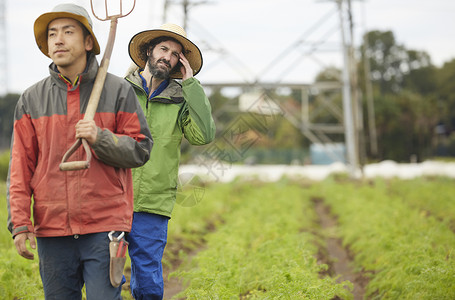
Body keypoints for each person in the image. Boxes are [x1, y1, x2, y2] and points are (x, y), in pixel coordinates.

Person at [6, 3, 153, 299]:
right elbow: (20, 167)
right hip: (52, 228)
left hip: (105, 227)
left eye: (68, 32)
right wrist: (20, 223)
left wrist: (100, 138)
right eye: (52, 34)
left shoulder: (118, 91)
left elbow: (140, 149)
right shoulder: (31, 100)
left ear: (88, 42)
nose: (58, 40)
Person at [125, 23, 216, 299]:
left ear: (180, 63)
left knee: (148, 278)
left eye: (176, 54)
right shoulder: (121, 90)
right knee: (107, 274)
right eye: (163, 49)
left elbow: (204, 135)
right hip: (114, 195)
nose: (168, 56)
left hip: (154, 200)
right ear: (149, 51)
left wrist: (191, 84)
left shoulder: (180, 98)